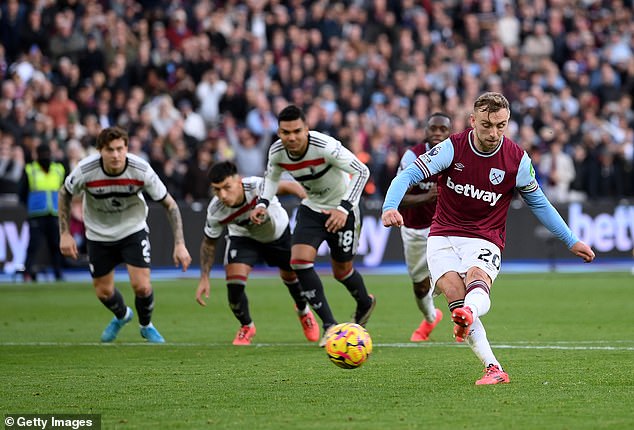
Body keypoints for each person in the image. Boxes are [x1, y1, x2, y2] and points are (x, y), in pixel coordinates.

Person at [382, 92, 595, 385]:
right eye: (486, 125)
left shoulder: (517, 159)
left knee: (475, 281)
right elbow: (406, 176)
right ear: (473, 121)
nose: (494, 133)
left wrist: (571, 240)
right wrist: (389, 206)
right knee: (456, 297)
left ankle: (469, 314)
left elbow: (540, 203)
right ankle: (493, 367)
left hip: (485, 237)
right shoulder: (451, 148)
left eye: (501, 125)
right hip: (442, 235)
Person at [250, 104, 375, 347]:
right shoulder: (276, 152)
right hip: (312, 207)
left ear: (307, 129)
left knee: (342, 271)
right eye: (286, 132)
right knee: (298, 261)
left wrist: (344, 208)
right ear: (279, 133)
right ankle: (330, 325)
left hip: (342, 208)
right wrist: (263, 203)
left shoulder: (325, 146)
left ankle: (365, 303)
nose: (292, 137)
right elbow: (271, 179)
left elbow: (362, 171)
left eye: (297, 131)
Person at [59, 126, 192, 343]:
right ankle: (122, 315)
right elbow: (64, 193)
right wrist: (65, 233)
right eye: (110, 150)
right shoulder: (85, 170)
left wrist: (180, 244)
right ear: (100, 150)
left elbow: (170, 205)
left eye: (120, 149)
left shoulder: (141, 169)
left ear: (127, 148)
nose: (116, 155)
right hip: (98, 234)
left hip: (132, 230)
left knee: (142, 286)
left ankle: (146, 325)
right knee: (103, 292)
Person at [196, 160, 321, 345]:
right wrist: (204, 277)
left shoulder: (257, 186)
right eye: (217, 189)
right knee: (234, 284)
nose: (222, 195)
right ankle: (246, 326)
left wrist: (309, 202)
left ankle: (303, 311)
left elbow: (290, 186)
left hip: (278, 234)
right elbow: (209, 243)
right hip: (244, 238)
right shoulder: (216, 211)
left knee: (292, 279)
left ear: (238, 180)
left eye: (226, 187)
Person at [396, 113, 452, 342]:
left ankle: (466, 322)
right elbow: (399, 198)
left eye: (443, 129)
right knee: (420, 287)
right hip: (414, 229)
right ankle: (431, 317)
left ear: (449, 132)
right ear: (426, 130)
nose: (438, 133)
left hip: (446, 228)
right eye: (433, 128)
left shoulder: (455, 154)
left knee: (457, 278)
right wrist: (427, 198)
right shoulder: (412, 156)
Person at [20, 143, 66, 281]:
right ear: (37, 156)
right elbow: (22, 192)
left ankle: (58, 273)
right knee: (33, 245)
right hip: (37, 214)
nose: (46, 157)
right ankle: (27, 272)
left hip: (54, 213)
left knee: (56, 245)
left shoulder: (59, 169)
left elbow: (65, 190)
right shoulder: (30, 170)